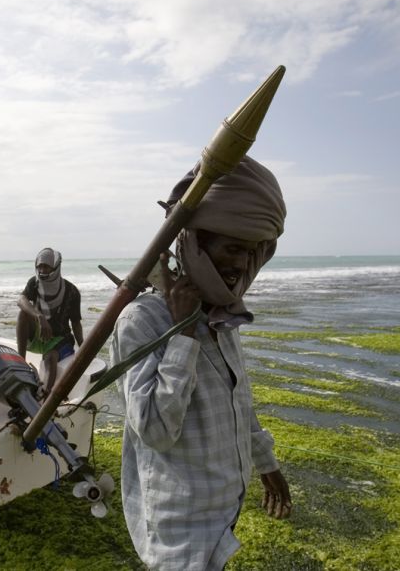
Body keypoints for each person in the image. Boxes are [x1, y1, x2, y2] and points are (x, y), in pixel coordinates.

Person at [110, 156, 292, 570]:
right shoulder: (142, 320)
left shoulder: (223, 316)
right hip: (180, 527)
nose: (241, 265)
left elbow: (237, 402)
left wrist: (266, 464)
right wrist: (183, 335)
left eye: (250, 253)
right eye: (231, 248)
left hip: (223, 513)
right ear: (194, 242)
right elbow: (156, 430)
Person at [15, 247, 83, 398]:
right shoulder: (34, 283)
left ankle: (44, 393)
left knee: (51, 357)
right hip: (41, 334)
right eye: (39, 266)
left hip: (60, 338)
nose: (42, 270)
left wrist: (83, 346)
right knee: (23, 314)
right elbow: (21, 300)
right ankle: (21, 364)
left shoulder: (72, 291)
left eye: (46, 266)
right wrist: (39, 317)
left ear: (56, 267)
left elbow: (76, 323)